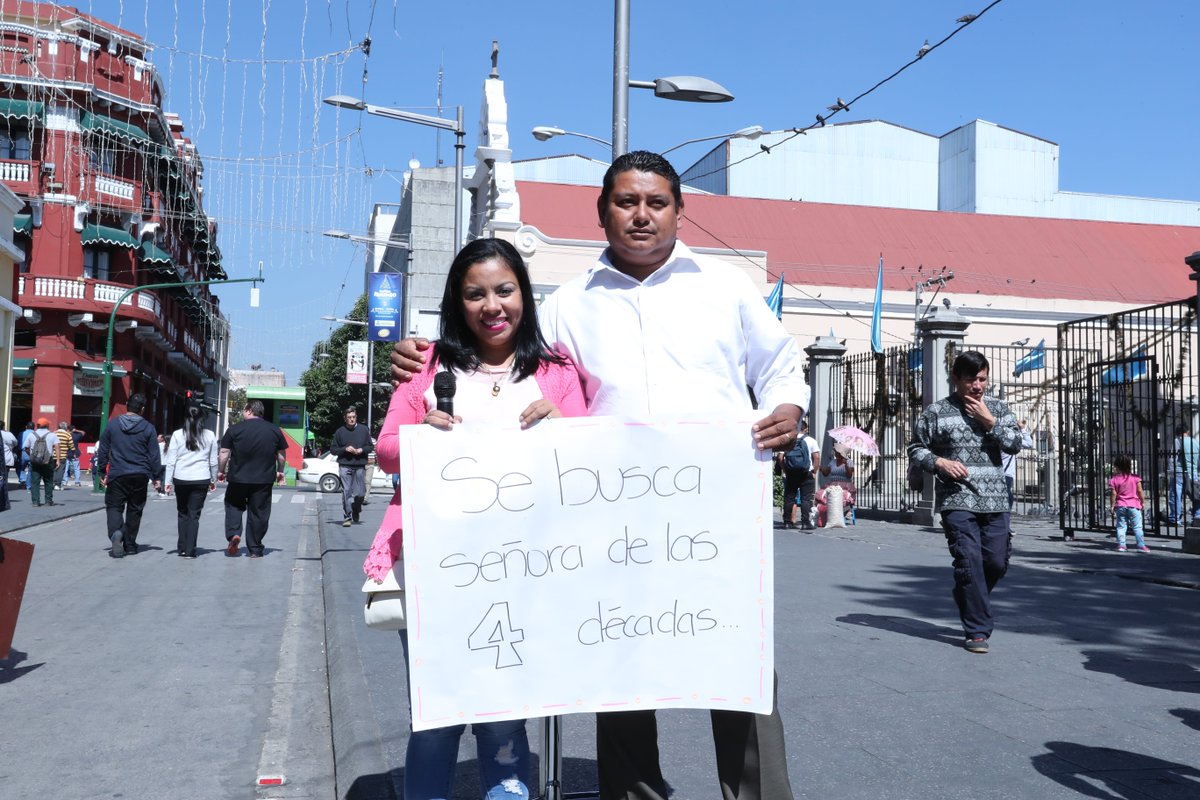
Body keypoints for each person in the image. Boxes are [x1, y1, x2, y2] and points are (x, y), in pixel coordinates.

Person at [390, 152, 806, 800]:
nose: (642, 215)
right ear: (602, 211)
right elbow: (509, 358)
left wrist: (788, 408)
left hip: (714, 518)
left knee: (739, 671)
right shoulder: (568, 305)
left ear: (679, 210)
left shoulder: (725, 288)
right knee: (621, 671)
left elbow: (780, 366)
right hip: (612, 523)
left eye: (656, 202)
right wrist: (421, 356)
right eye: (626, 202)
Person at [364, 237, 587, 800]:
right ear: (456, 303)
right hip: (435, 569)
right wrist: (421, 434)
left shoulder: (558, 371)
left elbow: (588, 458)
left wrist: (565, 426)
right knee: (435, 718)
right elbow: (386, 451)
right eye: (475, 294)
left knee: (505, 717)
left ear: (524, 295)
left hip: (525, 570)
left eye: (504, 290)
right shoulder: (426, 364)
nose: (492, 306)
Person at [908, 350, 1022, 654]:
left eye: (982, 379)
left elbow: (1015, 444)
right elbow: (916, 449)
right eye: (971, 379)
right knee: (968, 561)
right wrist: (940, 462)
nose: (977, 386)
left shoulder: (998, 408)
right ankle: (977, 631)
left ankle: (966, 593)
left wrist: (989, 421)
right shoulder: (936, 412)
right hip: (957, 498)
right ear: (956, 378)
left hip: (996, 500)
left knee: (995, 563)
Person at [94, 394, 162, 558]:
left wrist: (102, 470)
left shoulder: (113, 425)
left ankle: (116, 532)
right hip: (140, 474)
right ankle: (130, 545)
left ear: (126, 405)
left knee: (114, 506)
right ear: (142, 409)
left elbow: (103, 449)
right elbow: (154, 454)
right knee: (135, 509)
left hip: (118, 473)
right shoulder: (148, 428)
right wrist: (156, 477)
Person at [218, 400, 287, 558]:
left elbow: (224, 452)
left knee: (233, 506)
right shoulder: (274, 430)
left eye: (244, 410)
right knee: (259, 512)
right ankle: (255, 549)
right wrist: (280, 471)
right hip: (263, 479)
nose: (243, 413)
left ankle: (234, 533)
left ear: (249, 410)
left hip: (238, 478)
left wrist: (221, 471)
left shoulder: (234, 429)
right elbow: (281, 454)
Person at [164, 404, 219, 558]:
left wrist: (167, 481)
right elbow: (213, 461)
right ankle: (190, 550)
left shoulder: (177, 435)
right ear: (202, 418)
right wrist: (213, 479)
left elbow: (171, 460)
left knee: (182, 513)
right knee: (194, 515)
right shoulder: (210, 435)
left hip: (181, 478)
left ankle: (182, 547)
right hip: (201, 478)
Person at [330, 405, 372, 527]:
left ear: (356, 417)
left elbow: (370, 447)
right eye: (349, 417)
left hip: (359, 465)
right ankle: (347, 517)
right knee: (346, 491)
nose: (352, 419)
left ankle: (356, 508)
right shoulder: (340, 432)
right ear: (345, 418)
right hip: (345, 465)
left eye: (353, 417)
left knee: (360, 493)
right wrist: (345, 449)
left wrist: (361, 450)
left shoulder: (364, 430)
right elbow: (333, 450)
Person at [779, 419, 819, 529]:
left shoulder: (788, 440)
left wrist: (786, 470)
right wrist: (814, 471)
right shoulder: (811, 440)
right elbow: (816, 457)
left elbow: (780, 457)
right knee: (806, 499)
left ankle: (787, 522)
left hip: (791, 472)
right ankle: (805, 523)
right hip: (806, 472)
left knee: (789, 497)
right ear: (805, 429)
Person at [1108, 453, 1148, 553]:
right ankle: (1141, 546)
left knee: (1121, 526)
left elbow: (1113, 494)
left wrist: (1112, 505)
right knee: (1137, 527)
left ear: (1116, 466)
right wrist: (1142, 502)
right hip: (1134, 505)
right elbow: (1140, 491)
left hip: (1120, 505)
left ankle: (1122, 545)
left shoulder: (1114, 479)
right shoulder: (1135, 478)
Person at [816, 444, 856, 527]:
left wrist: (846, 465)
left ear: (841, 453)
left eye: (836, 452)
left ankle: (847, 511)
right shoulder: (833, 462)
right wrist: (821, 468)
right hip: (833, 485)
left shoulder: (849, 462)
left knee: (842, 496)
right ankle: (825, 513)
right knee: (822, 494)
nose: (835, 453)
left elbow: (849, 475)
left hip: (845, 485)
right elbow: (826, 473)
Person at [1167, 422, 1199, 525]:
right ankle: (1197, 516)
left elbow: (1173, 458)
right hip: (1193, 472)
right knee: (1195, 495)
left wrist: (1171, 471)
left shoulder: (1178, 441)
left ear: (1177, 432)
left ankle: (1175, 517)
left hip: (1179, 472)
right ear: (1188, 431)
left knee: (1176, 495)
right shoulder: (1195, 442)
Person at [23, 417, 59, 507]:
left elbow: (26, 447)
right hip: (48, 460)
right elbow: (57, 447)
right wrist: (58, 460)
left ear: (37, 425)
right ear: (47, 425)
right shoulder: (52, 435)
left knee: (35, 481)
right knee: (48, 481)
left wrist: (31, 455)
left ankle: (35, 501)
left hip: (35, 461)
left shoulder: (32, 435)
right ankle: (48, 501)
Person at [1001, 419, 1035, 509]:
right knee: (1007, 494)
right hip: (1007, 473)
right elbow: (1029, 444)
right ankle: (1006, 512)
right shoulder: (1013, 440)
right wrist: (1022, 429)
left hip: (995, 472)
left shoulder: (998, 437)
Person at [0, 420, 17, 513]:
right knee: (3, 479)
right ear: (3, 426)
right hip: (6, 460)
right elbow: (15, 443)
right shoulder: (8, 434)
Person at [53, 421, 73, 489]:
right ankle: (57, 484)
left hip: (53, 455)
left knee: (53, 469)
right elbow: (71, 446)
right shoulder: (68, 435)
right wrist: (73, 451)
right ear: (66, 428)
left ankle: (52, 483)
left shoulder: (54, 433)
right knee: (60, 470)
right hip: (63, 455)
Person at [65, 423, 85, 487]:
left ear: (68, 429)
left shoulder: (66, 436)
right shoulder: (76, 436)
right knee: (76, 468)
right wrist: (76, 430)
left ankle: (64, 481)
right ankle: (77, 482)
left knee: (65, 468)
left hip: (66, 453)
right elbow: (83, 432)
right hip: (75, 454)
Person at [17, 421, 33, 489]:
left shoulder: (21, 433)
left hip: (23, 452)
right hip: (32, 453)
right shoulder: (35, 434)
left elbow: (18, 444)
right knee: (30, 470)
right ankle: (28, 485)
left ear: (26, 427)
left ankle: (22, 480)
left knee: (20, 468)